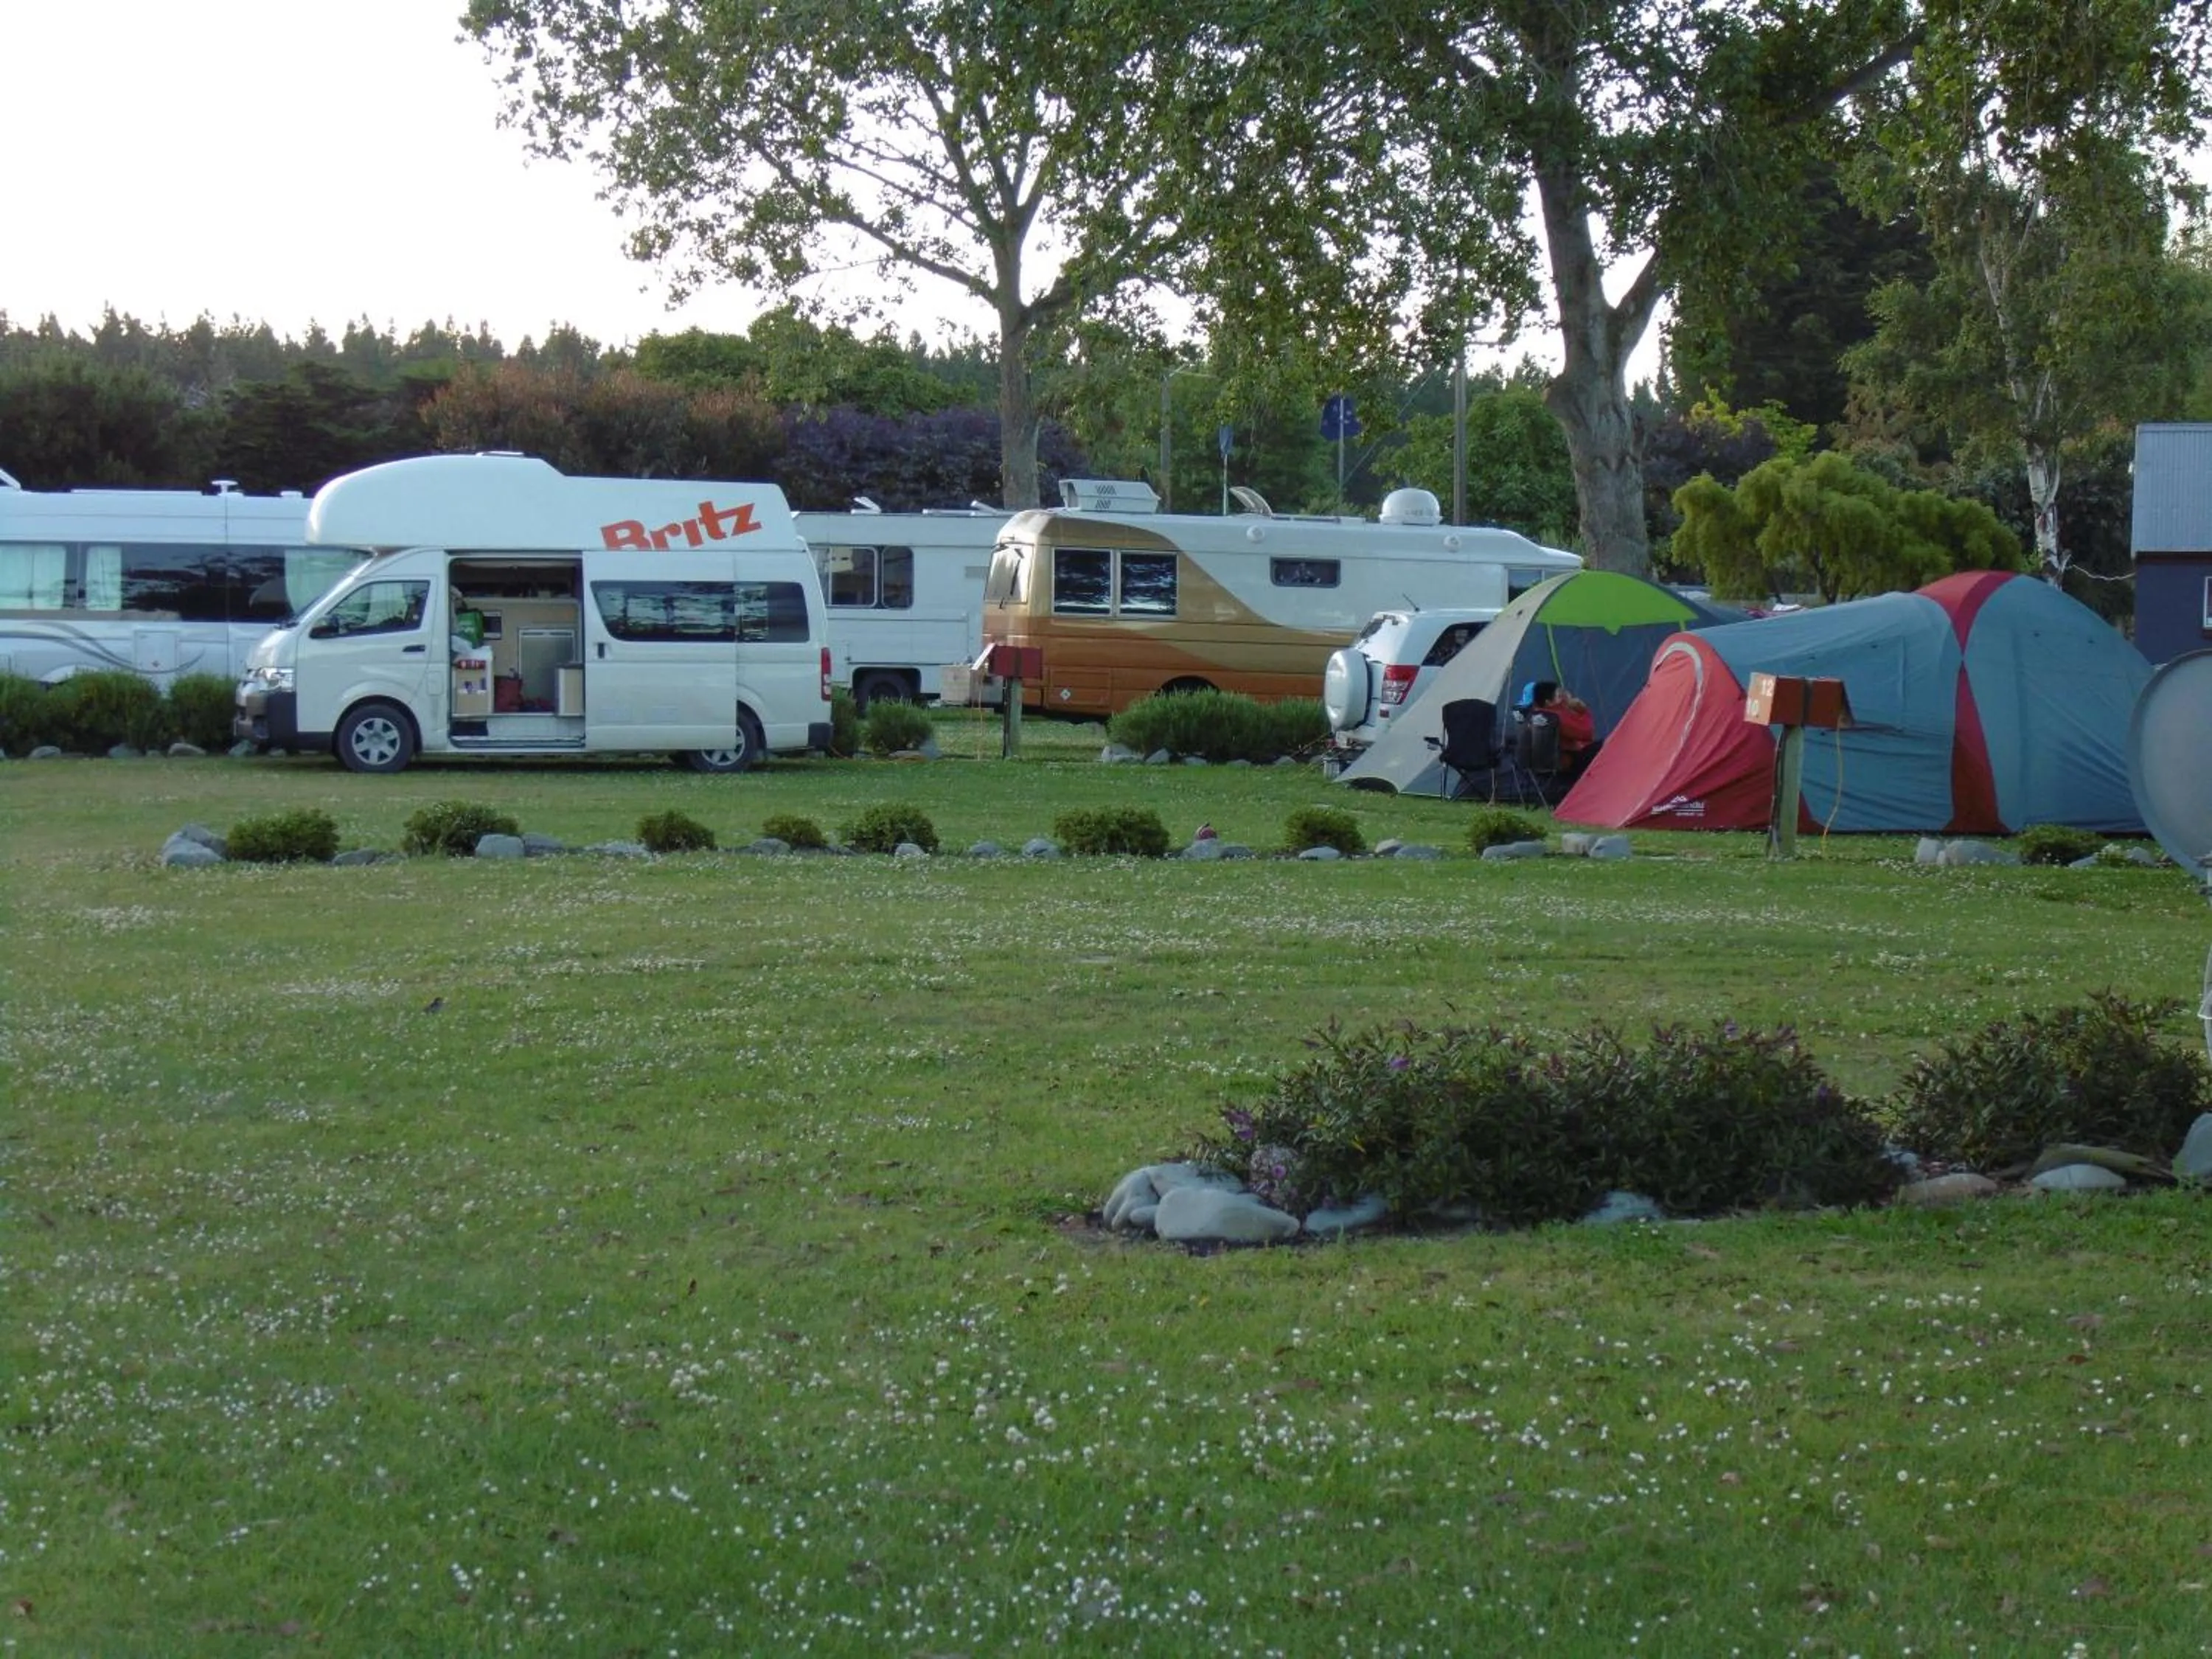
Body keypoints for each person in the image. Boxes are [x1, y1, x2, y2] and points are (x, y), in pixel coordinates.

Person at [1526, 680, 1600, 782]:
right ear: (1548, 702)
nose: (1562, 699)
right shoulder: (1555, 718)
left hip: (1547, 765)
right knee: (1606, 746)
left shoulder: (1537, 714)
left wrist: (1565, 703)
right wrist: (1583, 711)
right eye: (1558, 696)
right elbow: (1587, 733)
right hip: (1569, 764)